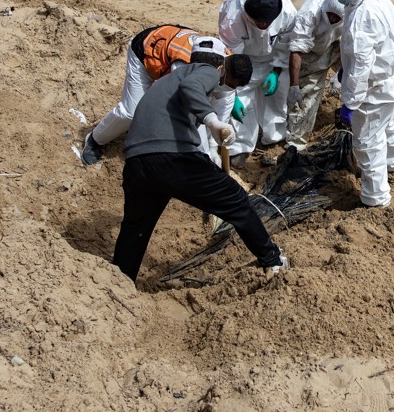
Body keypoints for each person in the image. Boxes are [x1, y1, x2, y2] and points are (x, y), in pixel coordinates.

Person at [110, 53, 289, 282]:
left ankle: (120, 281)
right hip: (171, 159)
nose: (223, 88)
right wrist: (212, 121)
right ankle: (272, 261)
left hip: (138, 165)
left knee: (136, 228)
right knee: (237, 200)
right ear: (222, 68)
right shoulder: (205, 71)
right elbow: (191, 86)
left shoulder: (168, 84)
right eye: (227, 84)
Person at [81, 26, 234, 165]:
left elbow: (224, 102)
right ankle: (95, 139)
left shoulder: (229, 62)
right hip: (145, 54)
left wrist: (214, 146)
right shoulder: (182, 66)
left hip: (168, 52)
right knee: (131, 112)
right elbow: (190, 108)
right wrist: (204, 155)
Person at [328, 0, 394, 208]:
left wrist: (349, 103)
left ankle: (375, 198)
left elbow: (361, 66)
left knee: (367, 141)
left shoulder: (363, 16)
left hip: (375, 90)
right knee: (388, 125)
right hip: (393, 80)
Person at [219, 0, 297, 166]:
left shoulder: (286, 10)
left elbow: (286, 43)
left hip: (273, 58)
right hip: (244, 59)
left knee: (277, 97)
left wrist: (276, 71)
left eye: (267, 23)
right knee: (243, 102)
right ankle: (240, 147)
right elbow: (230, 56)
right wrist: (232, 93)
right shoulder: (233, 17)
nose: (263, 26)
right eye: (259, 23)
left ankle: (274, 137)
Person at [285, 0, 346, 149]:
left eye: (336, 18)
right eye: (330, 16)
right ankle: (296, 141)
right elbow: (297, 50)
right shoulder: (310, 13)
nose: (332, 19)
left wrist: (342, 73)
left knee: (359, 79)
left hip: (338, 45)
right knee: (308, 93)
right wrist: (294, 85)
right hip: (311, 50)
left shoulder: (352, 14)